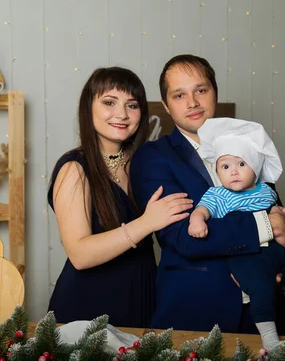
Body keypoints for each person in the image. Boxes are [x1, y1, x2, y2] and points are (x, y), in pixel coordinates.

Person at [130, 54, 285, 334]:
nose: (192, 102)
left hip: (264, 313)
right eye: (179, 95)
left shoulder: (248, 144)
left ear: (214, 92)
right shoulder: (153, 158)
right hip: (196, 313)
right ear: (166, 106)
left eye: (200, 90)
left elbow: (277, 216)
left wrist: (278, 261)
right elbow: (184, 238)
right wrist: (268, 226)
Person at [47, 67, 193, 327]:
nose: (122, 114)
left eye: (132, 105)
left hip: (144, 295)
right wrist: (146, 223)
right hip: (88, 304)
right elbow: (79, 254)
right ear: (88, 108)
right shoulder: (75, 168)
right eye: (109, 102)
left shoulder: (146, 163)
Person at [188, 117, 285, 349]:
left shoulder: (265, 190)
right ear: (217, 170)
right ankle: (269, 337)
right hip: (245, 255)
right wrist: (197, 220)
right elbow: (203, 210)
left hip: (273, 250)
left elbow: (273, 209)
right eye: (225, 167)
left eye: (241, 165)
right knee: (262, 290)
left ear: (255, 168)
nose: (233, 172)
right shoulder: (218, 195)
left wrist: (283, 211)